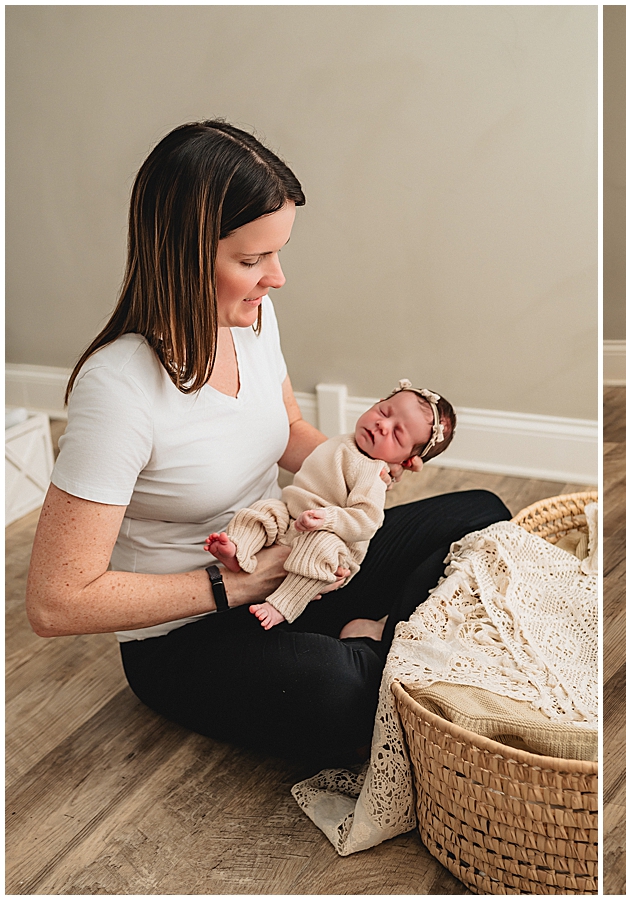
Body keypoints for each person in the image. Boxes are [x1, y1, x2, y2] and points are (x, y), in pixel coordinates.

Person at [25, 120, 510, 767]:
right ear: (183, 255)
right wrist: (240, 583)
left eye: (277, 254)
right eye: (252, 261)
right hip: (191, 630)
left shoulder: (251, 320)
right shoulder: (118, 390)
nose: (276, 278)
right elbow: (56, 602)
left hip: (293, 558)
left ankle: (374, 639)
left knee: (483, 513)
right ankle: (384, 650)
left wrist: (362, 467)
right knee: (342, 691)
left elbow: (288, 433)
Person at [205, 380, 456, 630]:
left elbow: (368, 521)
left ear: (407, 461)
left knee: (318, 549)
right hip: (291, 515)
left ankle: (283, 604)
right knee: (264, 510)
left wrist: (327, 519)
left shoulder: (372, 474)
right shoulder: (349, 441)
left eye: (397, 434)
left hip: (333, 540)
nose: (382, 425)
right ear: (377, 403)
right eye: (384, 412)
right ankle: (239, 552)